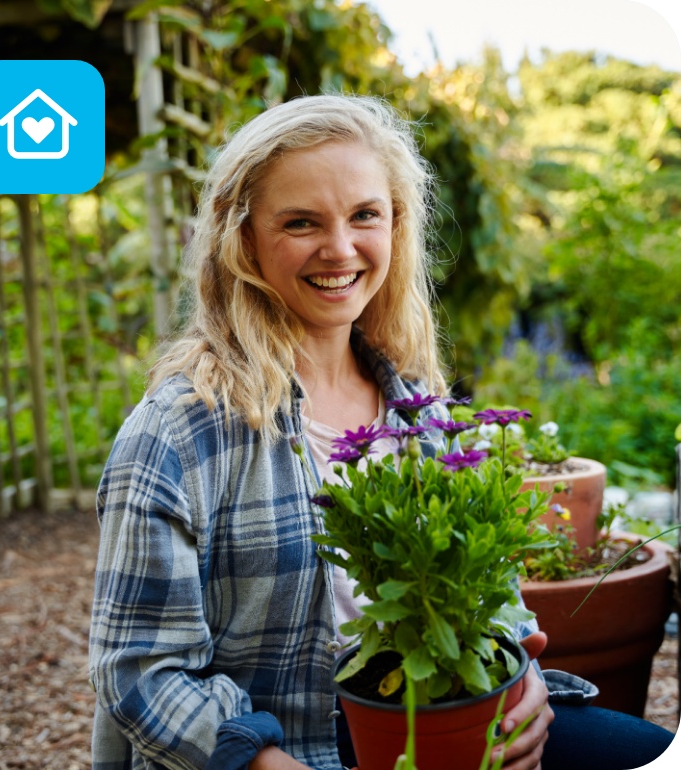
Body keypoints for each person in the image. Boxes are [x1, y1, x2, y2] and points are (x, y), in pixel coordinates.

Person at [88, 94, 674, 770]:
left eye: (364, 215)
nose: (340, 249)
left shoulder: (418, 408)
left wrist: (524, 688)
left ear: (396, 223)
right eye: (301, 222)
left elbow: (492, 602)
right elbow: (139, 672)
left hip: (449, 719)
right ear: (241, 239)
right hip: (285, 746)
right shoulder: (179, 430)